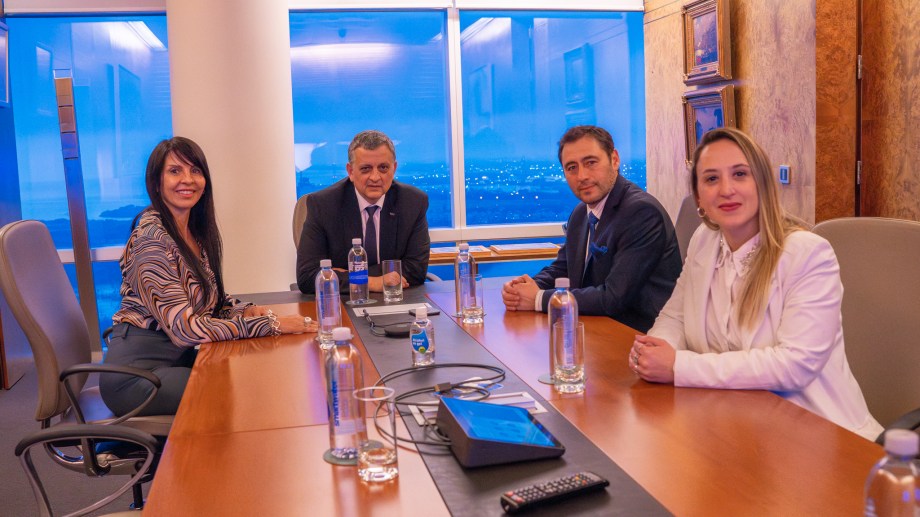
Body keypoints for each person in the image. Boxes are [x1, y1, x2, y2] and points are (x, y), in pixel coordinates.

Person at [629, 127, 884, 441]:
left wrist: (678, 366)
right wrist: (655, 350)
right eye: (711, 178)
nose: (726, 189)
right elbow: (676, 315)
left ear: (762, 183)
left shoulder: (806, 253)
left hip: (817, 433)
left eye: (740, 174)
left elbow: (795, 365)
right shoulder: (705, 240)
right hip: (734, 422)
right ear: (698, 197)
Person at [100, 137, 318, 417]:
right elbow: (186, 330)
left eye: (195, 170)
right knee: (230, 388)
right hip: (136, 377)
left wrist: (247, 311)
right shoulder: (152, 240)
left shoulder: (192, 232)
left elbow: (213, 303)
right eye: (175, 171)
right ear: (156, 183)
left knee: (250, 372)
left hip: (176, 360)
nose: (188, 179)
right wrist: (271, 325)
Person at [501, 125, 682, 332]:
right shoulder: (581, 213)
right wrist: (525, 288)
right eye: (572, 168)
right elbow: (563, 269)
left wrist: (538, 299)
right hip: (596, 326)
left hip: (638, 334)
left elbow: (614, 297)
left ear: (614, 160)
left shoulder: (642, 213)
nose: (582, 176)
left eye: (591, 163)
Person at [296, 130, 430, 293]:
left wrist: (348, 274)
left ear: (394, 168)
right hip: (344, 301)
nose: (375, 177)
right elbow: (307, 277)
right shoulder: (323, 205)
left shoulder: (413, 202)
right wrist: (372, 282)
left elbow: (416, 270)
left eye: (383, 168)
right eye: (366, 169)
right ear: (351, 171)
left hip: (395, 298)